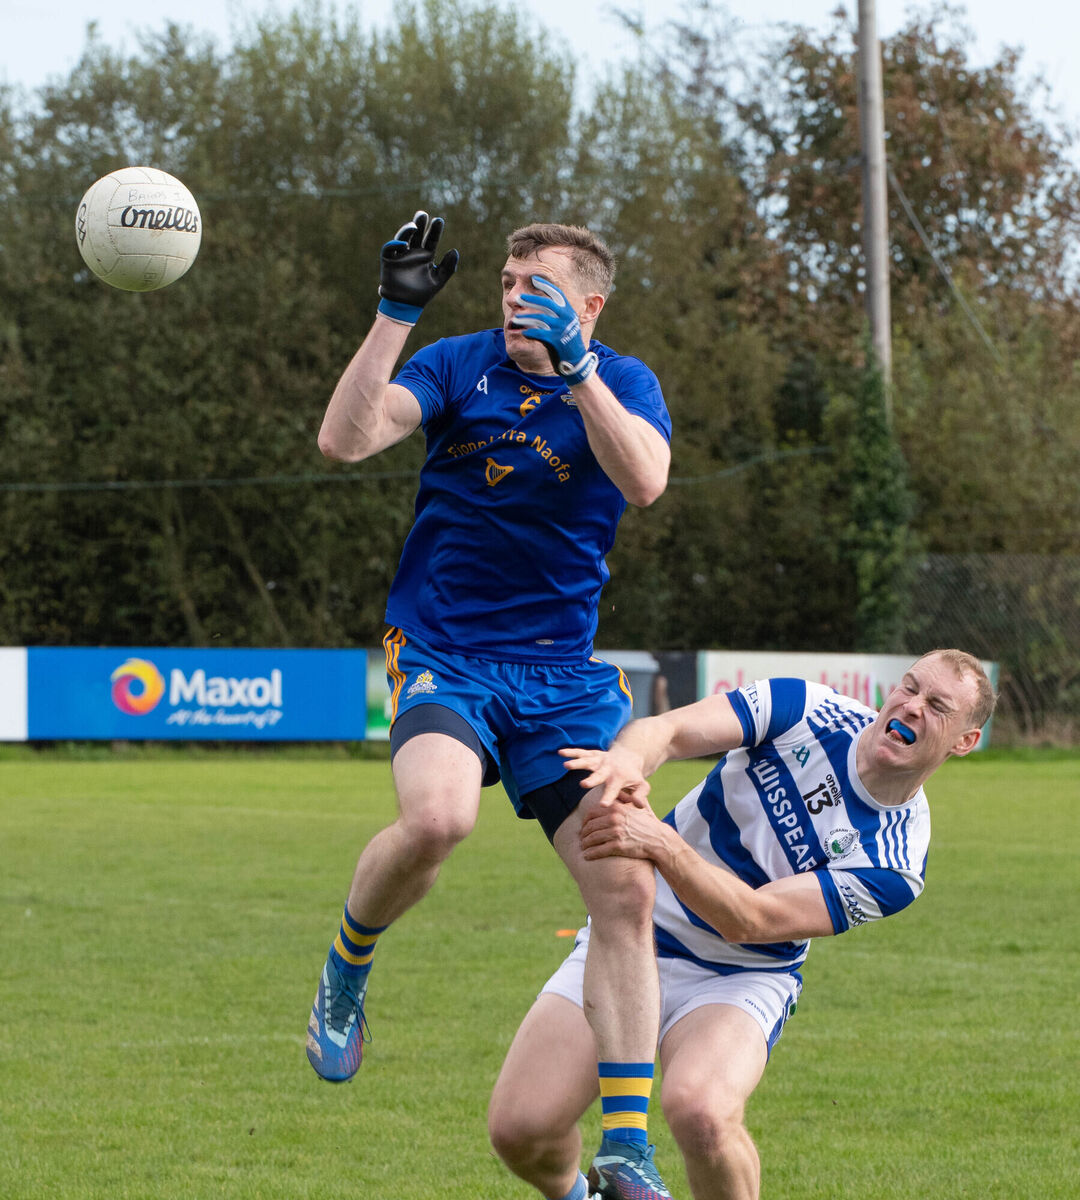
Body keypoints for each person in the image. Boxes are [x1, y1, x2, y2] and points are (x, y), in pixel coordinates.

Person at [306, 210, 675, 1200]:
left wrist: (577, 368)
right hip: (443, 653)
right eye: (508, 283)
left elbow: (644, 481)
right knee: (437, 818)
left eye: (537, 286)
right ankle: (348, 966)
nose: (514, 298)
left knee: (628, 889)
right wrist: (393, 315)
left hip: (561, 681)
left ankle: (628, 1146)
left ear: (588, 305)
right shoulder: (459, 362)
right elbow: (344, 440)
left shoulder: (625, 384)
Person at [489, 649, 996, 1200]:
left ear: (964, 741)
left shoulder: (897, 862)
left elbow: (750, 919)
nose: (912, 706)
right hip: (634, 934)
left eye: (938, 706)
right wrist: (627, 762)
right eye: (910, 687)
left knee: (701, 1110)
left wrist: (661, 842)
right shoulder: (803, 708)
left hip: (739, 974)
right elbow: (669, 730)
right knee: (521, 1131)